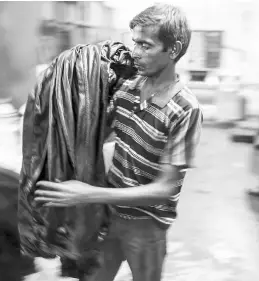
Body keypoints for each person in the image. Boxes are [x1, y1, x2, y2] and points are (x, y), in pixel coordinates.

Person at [34, 4, 203, 281]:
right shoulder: (127, 89)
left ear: (173, 50)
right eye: (134, 42)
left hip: (147, 226)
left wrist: (89, 194)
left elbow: (164, 188)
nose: (135, 52)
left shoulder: (185, 108)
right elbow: (95, 132)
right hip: (110, 215)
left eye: (145, 45)